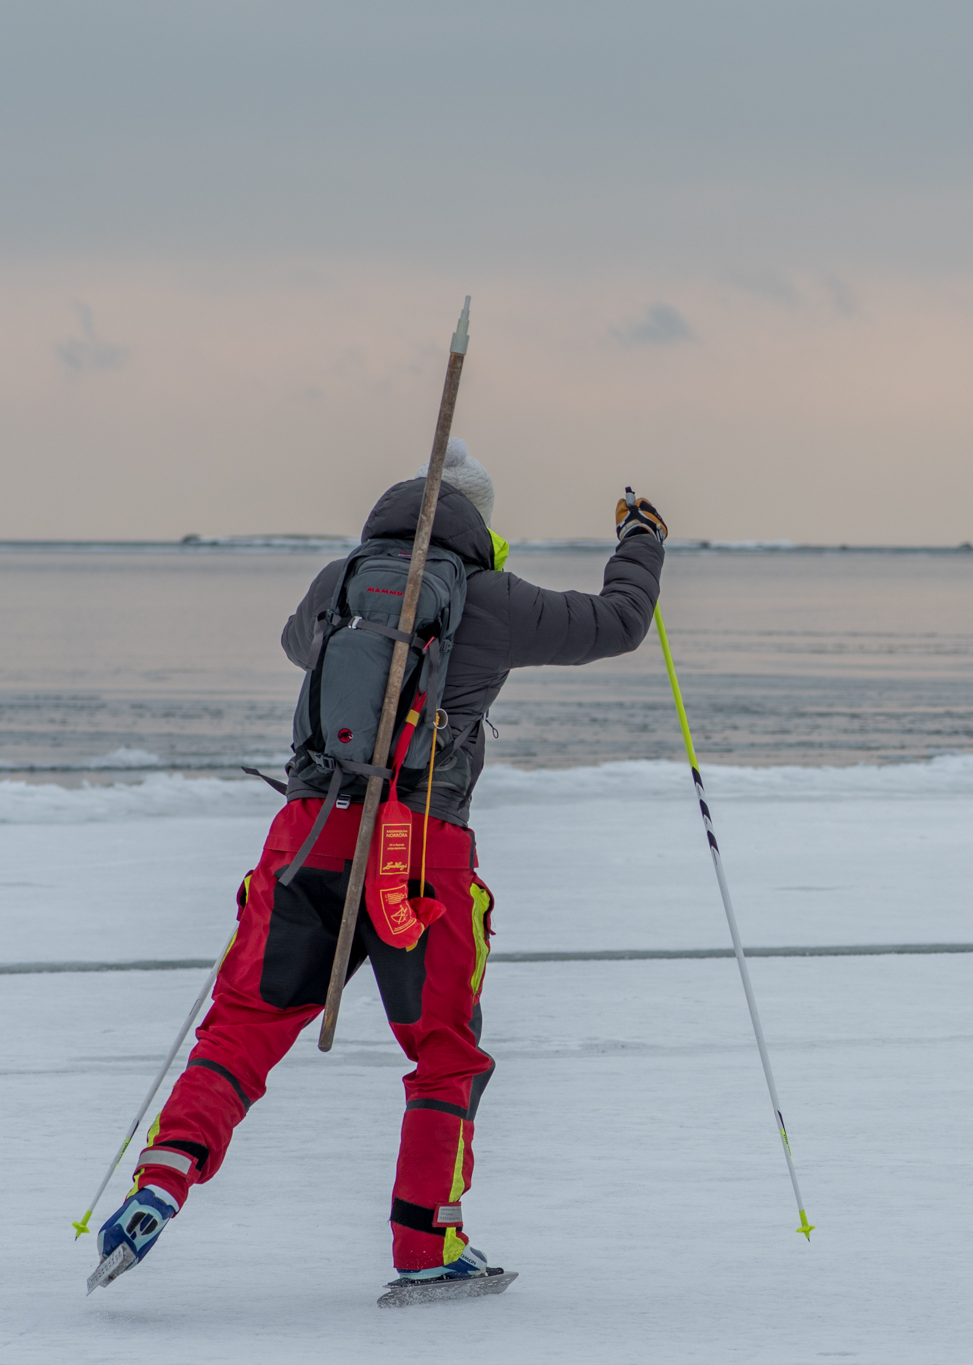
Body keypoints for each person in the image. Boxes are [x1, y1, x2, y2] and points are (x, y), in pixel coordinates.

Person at [93, 440, 666, 1290]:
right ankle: (426, 1245)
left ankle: (163, 1176)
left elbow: (298, 647)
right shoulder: (492, 597)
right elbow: (618, 624)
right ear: (480, 525)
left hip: (309, 831)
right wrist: (641, 537)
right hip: (421, 854)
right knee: (444, 1052)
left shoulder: (338, 581)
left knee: (242, 1027)